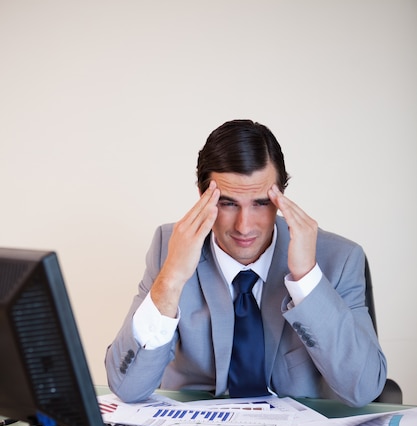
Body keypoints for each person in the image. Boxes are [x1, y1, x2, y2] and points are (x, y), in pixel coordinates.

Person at [105, 119, 387, 407]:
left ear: (281, 197)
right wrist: (172, 277)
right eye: (228, 203)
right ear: (203, 197)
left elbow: (364, 389)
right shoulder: (171, 246)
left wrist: (306, 279)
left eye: (261, 203)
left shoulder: (339, 258)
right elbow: (128, 388)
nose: (244, 226)